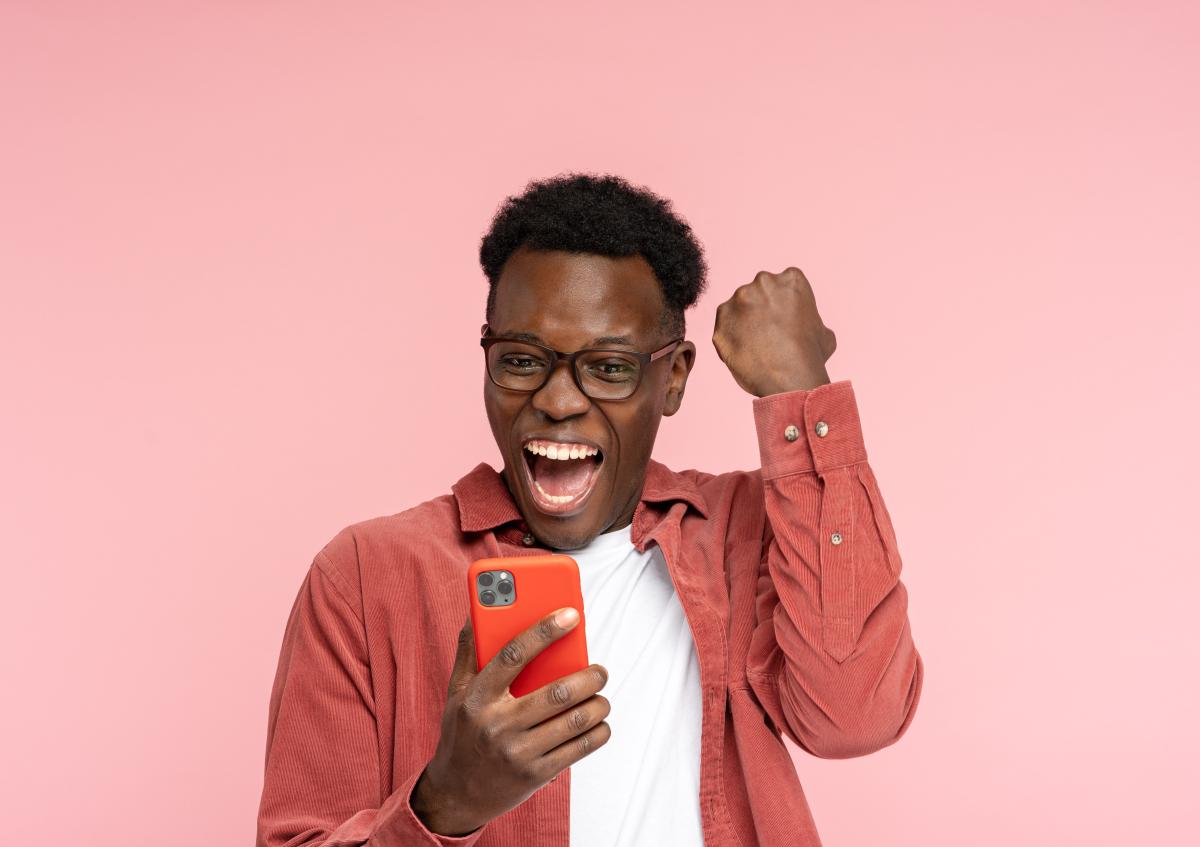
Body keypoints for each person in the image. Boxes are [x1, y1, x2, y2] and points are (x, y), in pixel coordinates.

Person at [255, 173, 924, 847]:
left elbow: (854, 714)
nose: (559, 400)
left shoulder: (748, 531)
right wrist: (446, 802)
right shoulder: (368, 576)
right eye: (521, 360)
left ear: (675, 378)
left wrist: (799, 392)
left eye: (608, 368)